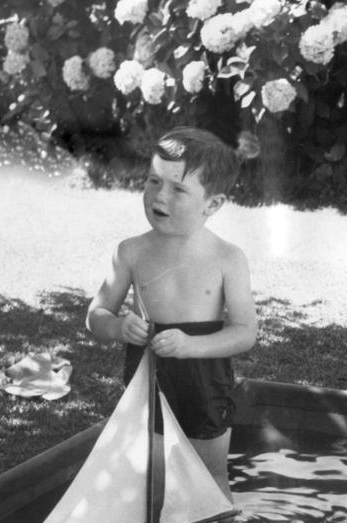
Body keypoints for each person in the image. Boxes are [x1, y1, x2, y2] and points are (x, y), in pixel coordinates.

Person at [87, 126, 257, 500]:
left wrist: (190, 346)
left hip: (203, 379)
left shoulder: (227, 258)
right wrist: (117, 327)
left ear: (212, 205)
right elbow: (96, 313)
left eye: (178, 189)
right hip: (147, 375)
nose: (158, 195)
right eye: (153, 180)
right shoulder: (130, 252)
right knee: (148, 474)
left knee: (210, 476)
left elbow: (245, 332)